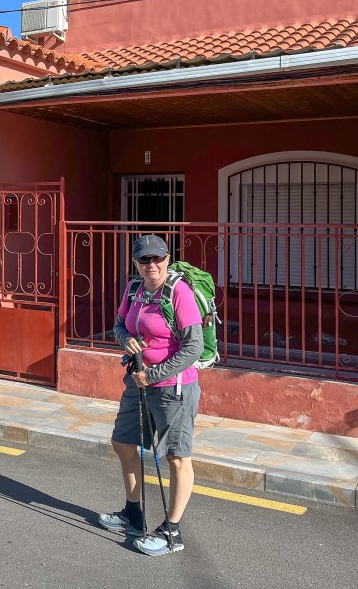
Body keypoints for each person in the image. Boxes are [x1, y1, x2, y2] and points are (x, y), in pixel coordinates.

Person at [98, 234, 203, 556]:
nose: (152, 265)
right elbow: (119, 325)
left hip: (174, 388)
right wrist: (125, 339)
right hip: (138, 382)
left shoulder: (179, 292)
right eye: (145, 259)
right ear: (136, 262)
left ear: (167, 259)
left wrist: (154, 375)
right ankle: (133, 513)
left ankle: (172, 531)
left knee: (176, 457)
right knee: (123, 442)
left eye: (157, 258)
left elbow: (194, 346)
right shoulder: (134, 290)